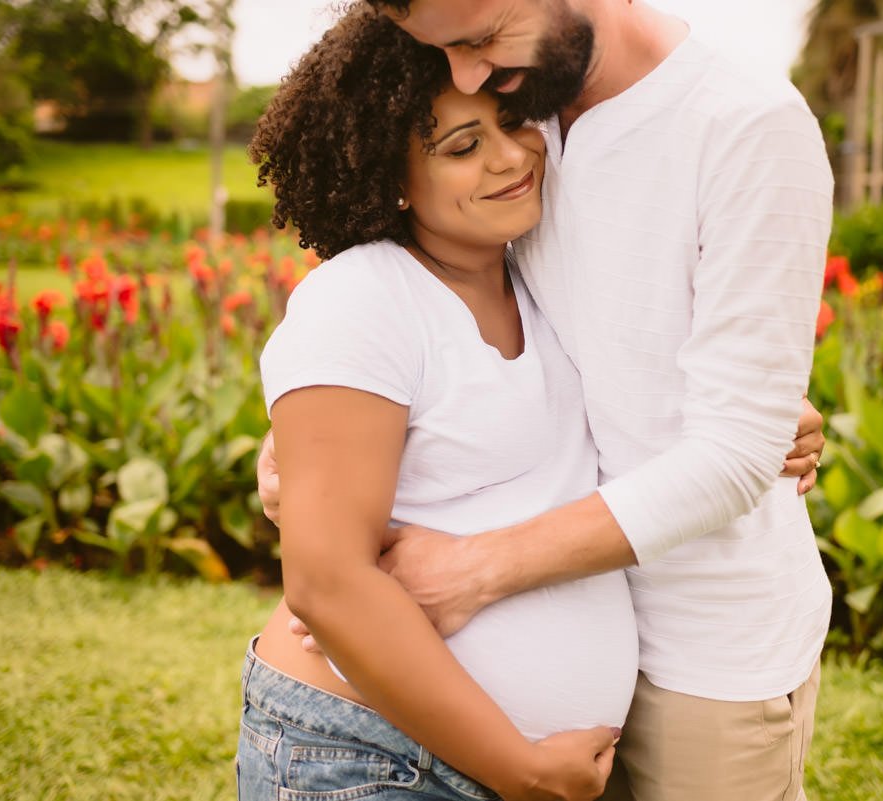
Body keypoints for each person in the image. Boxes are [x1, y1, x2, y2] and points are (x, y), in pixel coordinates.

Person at [261, 1, 836, 800]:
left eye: (478, 40)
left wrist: (473, 568)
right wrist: (304, 449)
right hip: (432, 741)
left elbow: (723, 436)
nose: (469, 73)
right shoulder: (529, 100)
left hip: (705, 651)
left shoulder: (740, 123)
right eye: (446, 54)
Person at [238, 7, 640, 801]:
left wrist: (764, 420)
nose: (510, 157)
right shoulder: (361, 301)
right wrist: (519, 767)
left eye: (514, 122)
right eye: (462, 147)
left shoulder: (542, 279)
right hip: (366, 760)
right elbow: (327, 584)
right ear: (389, 179)